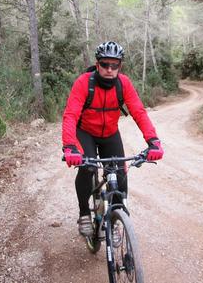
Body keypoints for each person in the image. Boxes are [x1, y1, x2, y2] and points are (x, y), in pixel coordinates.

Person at [62, 41, 164, 236]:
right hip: (85, 132)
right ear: (97, 64)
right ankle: (84, 213)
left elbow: (139, 112)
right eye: (105, 64)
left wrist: (154, 142)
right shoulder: (84, 82)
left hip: (109, 133)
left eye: (114, 65)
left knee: (120, 174)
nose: (109, 69)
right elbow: (71, 115)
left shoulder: (123, 83)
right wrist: (69, 147)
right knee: (87, 168)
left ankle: (117, 217)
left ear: (120, 66)